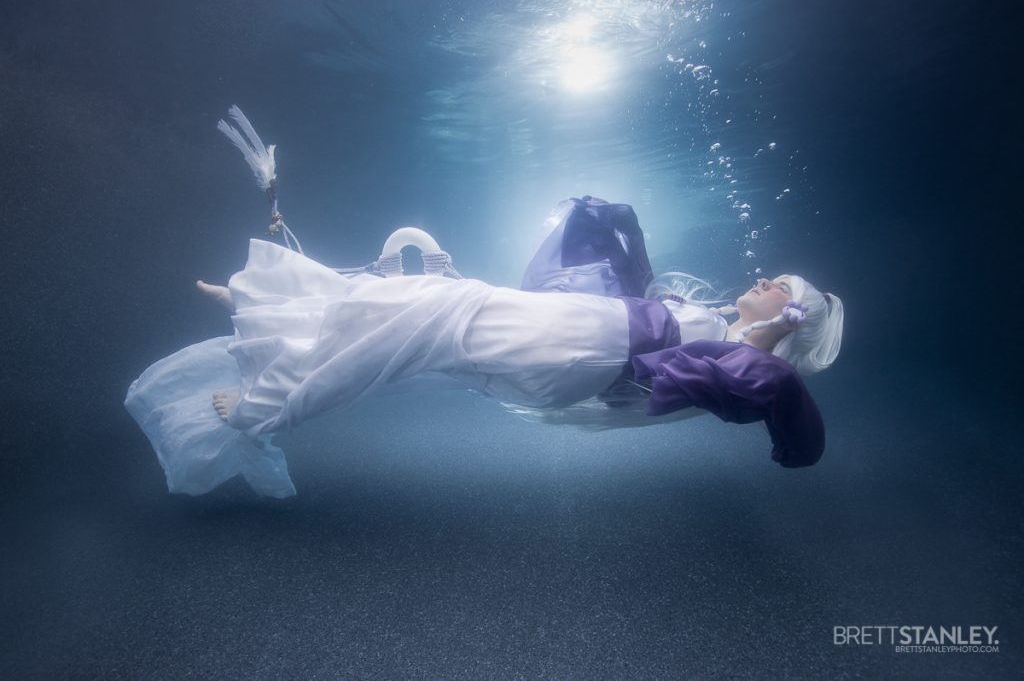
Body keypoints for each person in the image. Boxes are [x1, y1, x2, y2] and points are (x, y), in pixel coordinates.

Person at [125, 196, 844, 498]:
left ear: (796, 312)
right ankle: (281, 307)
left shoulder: (756, 365)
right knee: (423, 318)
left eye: (778, 284)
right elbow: (646, 304)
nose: (761, 278)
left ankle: (267, 395)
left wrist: (775, 380)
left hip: (576, 349)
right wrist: (612, 222)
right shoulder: (722, 327)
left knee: (431, 313)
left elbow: (785, 408)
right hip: (574, 341)